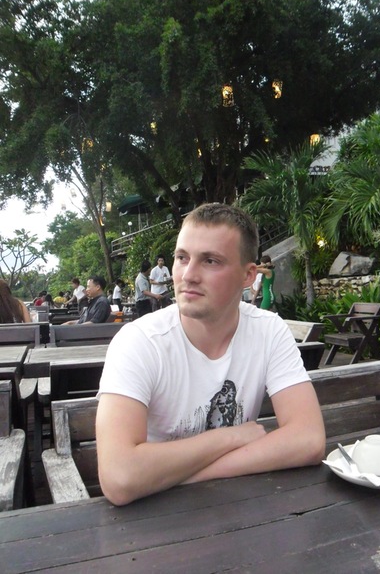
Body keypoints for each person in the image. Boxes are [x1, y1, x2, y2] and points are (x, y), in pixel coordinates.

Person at [96, 203, 325, 506]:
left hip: (241, 510)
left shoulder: (268, 331)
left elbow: (308, 438)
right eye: (182, 258)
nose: (188, 275)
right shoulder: (140, 342)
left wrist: (181, 475)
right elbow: (120, 476)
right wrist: (231, 437)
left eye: (211, 261)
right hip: (156, 520)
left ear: (248, 275)